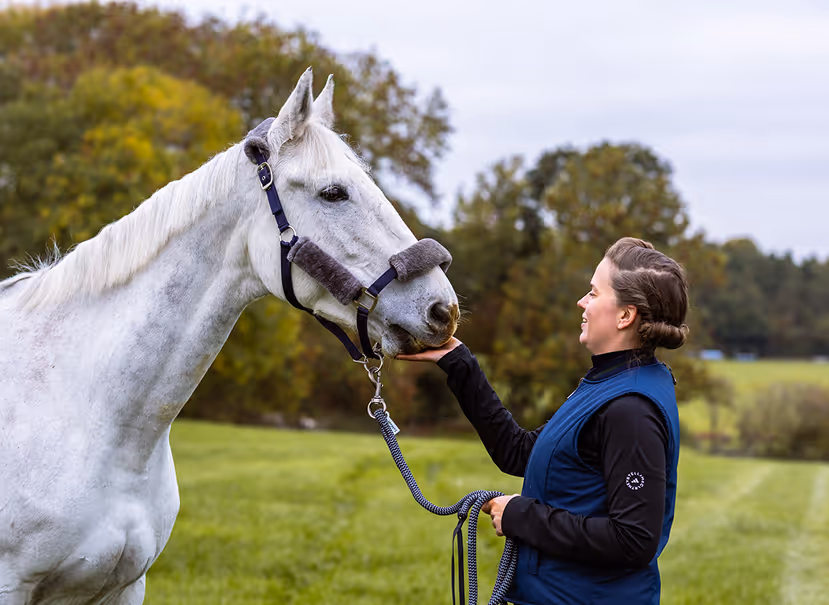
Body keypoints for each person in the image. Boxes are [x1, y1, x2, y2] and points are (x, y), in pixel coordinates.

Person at [397, 237, 689, 605]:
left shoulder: (630, 407)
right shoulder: (608, 384)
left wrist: (522, 516)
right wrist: (458, 362)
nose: (582, 302)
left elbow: (633, 539)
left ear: (625, 316)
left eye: (594, 293)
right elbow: (519, 452)